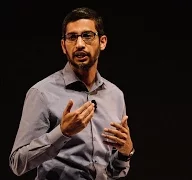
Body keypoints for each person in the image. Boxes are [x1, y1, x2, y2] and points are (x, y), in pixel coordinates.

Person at [9, 7, 135, 180]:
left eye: (87, 36)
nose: (80, 44)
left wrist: (124, 153)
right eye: (72, 37)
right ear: (63, 46)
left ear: (103, 42)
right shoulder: (42, 93)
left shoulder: (115, 95)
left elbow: (112, 172)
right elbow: (17, 163)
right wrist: (62, 133)